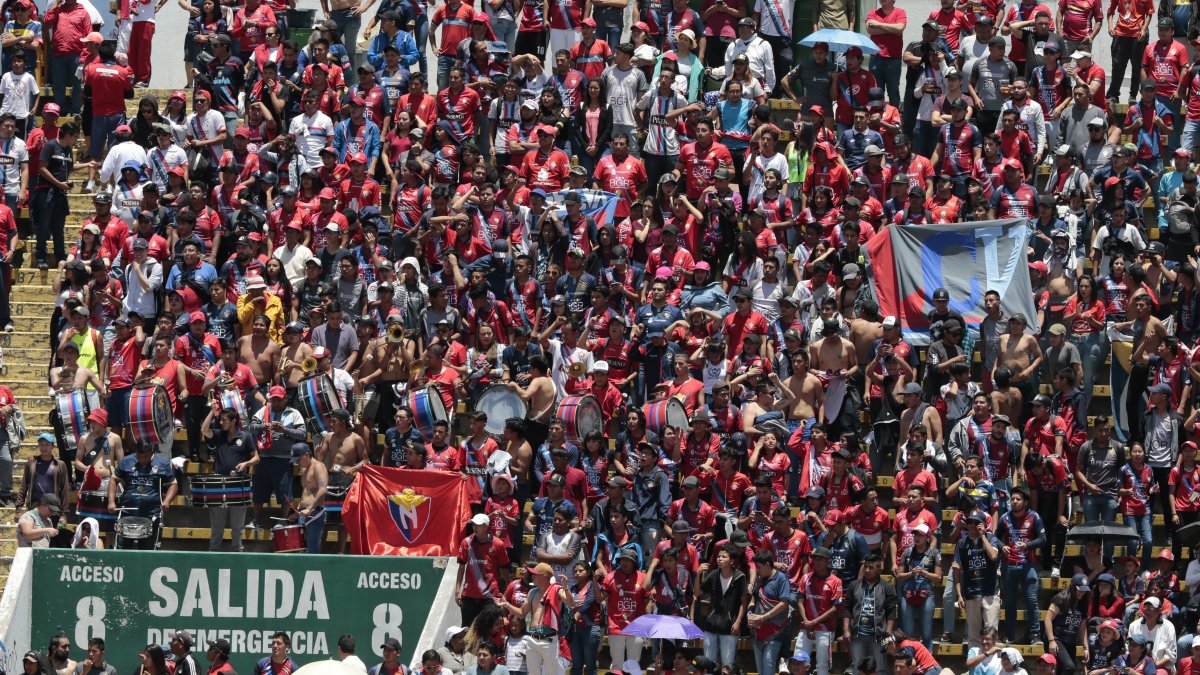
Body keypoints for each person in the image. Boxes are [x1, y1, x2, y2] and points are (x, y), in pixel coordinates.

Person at [200, 403, 259, 552]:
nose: (221, 423)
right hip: (219, 485)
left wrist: (246, 464)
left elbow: (257, 458)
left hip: (239, 485)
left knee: (237, 527)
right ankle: (214, 554)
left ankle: (237, 553)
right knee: (216, 527)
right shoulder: (219, 435)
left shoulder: (246, 437)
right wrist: (213, 411)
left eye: (224, 420)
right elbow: (204, 430)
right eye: (220, 420)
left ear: (233, 421)